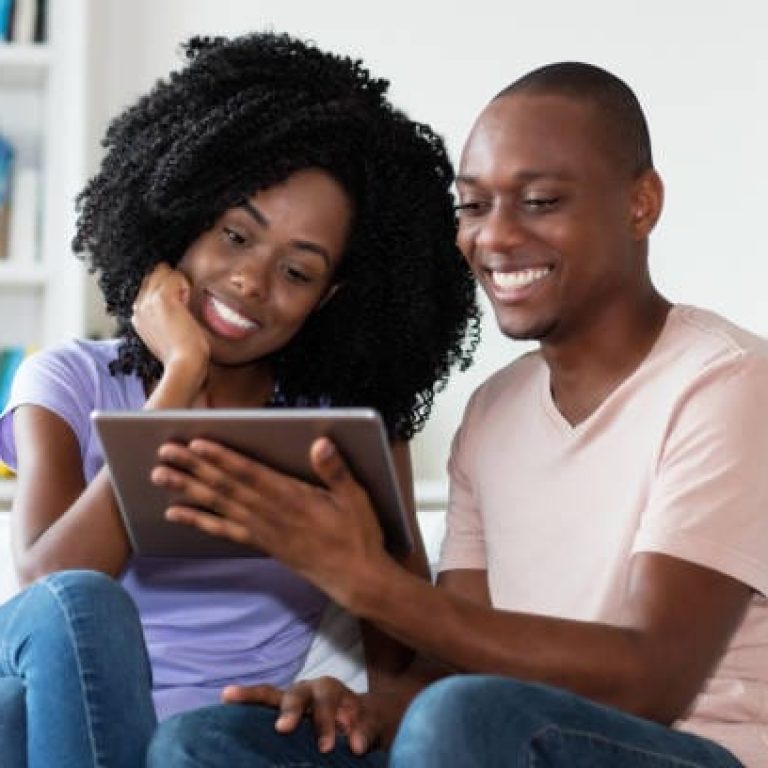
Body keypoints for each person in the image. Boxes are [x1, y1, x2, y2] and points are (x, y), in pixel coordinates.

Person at [146, 62, 768, 767]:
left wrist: (368, 583)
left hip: (689, 750)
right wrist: (365, 708)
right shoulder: (493, 413)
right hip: (497, 735)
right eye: (473, 206)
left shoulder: (728, 382)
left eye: (538, 201)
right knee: (211, 741)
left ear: (640, 204)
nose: (493, 237)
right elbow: (452, 664)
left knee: (463, 714)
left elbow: (653, 677)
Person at [0, 32, 480, 768]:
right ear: (183, 212)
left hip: (214, 745)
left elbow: (405, 657)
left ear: (330, 299)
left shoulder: (345, 425)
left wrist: (357, 581)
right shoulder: (66, 380)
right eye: (234, 235)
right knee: (78, 612)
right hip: (60, 717)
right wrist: (180, 376)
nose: (252, 280)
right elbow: (53, 586)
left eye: (296, 270)